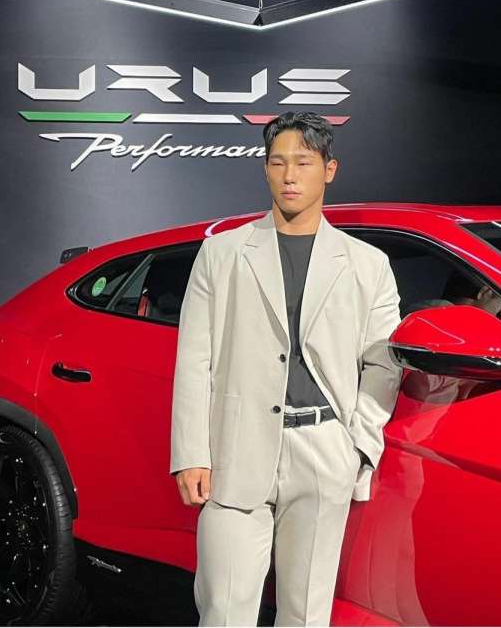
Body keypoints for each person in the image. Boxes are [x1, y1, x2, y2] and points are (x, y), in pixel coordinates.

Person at [169, 111, 403, 626]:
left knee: (306, 614)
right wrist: (191, 453)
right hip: (234, 447)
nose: (289, 175)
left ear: (330, 170)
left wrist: (358, 447)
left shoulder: (368, 264)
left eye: (303, 162)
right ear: (265, 169)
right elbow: (194, 358)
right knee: (223, 610)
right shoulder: (222, 253)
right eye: (277, 163)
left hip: (324, 450)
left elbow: (383, 364)